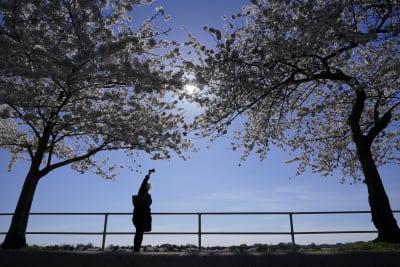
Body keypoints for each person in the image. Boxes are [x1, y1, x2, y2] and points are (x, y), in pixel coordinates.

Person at [132, 169, 154, 252]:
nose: (149, 188)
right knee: (139, 233)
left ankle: (136, 249)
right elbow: (143, 184)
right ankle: (136, 249)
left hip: (143, 216)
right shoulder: (141, 192)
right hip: (140, 216)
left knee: (140, 233)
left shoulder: (146, 195)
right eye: (148, 187)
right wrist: (148, 175)